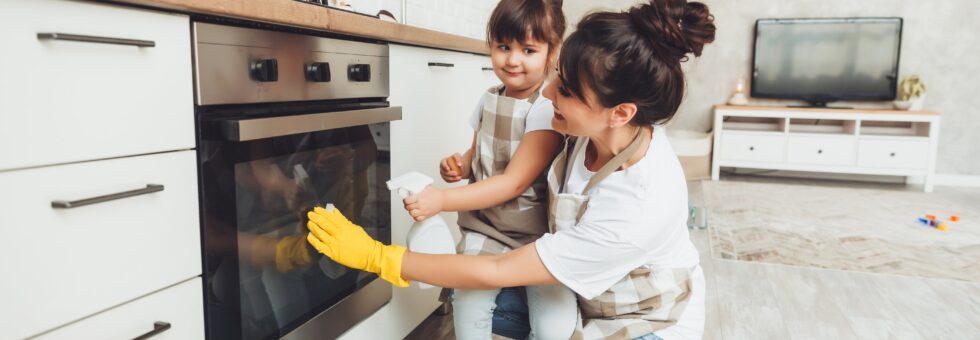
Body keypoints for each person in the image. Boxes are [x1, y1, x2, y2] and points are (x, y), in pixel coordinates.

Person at [305, 0, 716, 338]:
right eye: (558, 77)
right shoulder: (572, 123)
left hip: (644, 317)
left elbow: (499, 267)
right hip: (585, 288)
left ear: (619, 113)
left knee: (498, 289)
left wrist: (380, 258)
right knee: (462, 293)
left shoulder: (639, 202)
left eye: (567, 90)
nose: (548, 92)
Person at [405, 0, 574, 338]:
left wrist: (442, 199)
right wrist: (461, 165)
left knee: (554, 323)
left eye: (528, 50)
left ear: (551, 53)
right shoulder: (488, 97)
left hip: (537, 235)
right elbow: (479, 150)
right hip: (486, 227)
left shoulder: (544, 109)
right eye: (503, 47)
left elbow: (513, 183)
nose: (512, 59)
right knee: (468, 304)